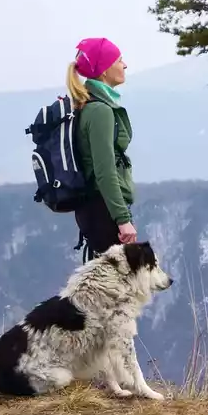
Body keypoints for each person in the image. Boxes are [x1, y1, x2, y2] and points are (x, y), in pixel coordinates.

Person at [68, 37, 136, 262]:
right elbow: (105, 170)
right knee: (114, 292)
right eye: (119, 60)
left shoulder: (86, 104)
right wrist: (122, 219)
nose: (124, 65)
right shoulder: (100, 111)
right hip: (104, 211)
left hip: (94, 209)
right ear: (104, 70)